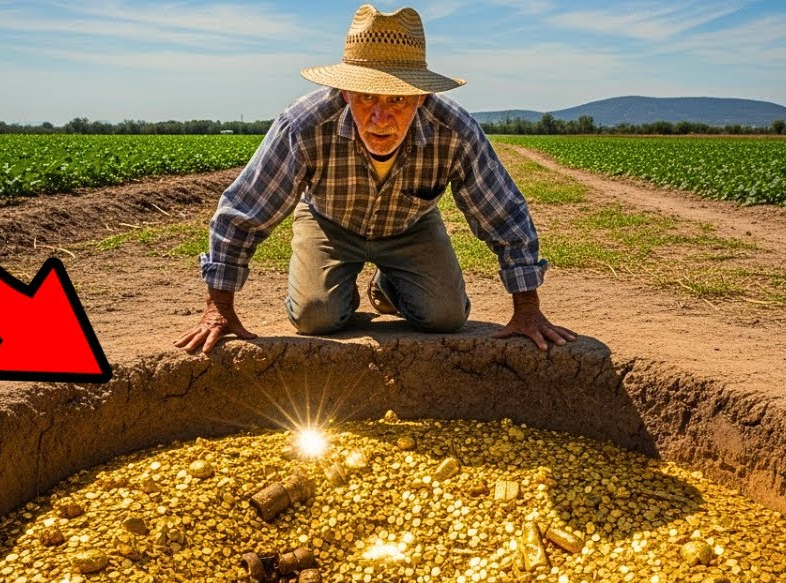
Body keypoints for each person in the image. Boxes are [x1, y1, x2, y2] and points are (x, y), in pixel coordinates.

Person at [175, 4, 576, 354]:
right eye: (367, 97)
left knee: (446, 317)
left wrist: (527, 307)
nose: (380, 118)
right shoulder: (303, 126)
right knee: (316, 316)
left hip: (410, 227)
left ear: (421, 97)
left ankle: (388, 286)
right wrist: (219, 307)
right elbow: (244, 211)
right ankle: (340, 287)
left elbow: (503, 213)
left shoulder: (455, 131)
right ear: (345, 92)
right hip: (328, 222)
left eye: (397, 99)